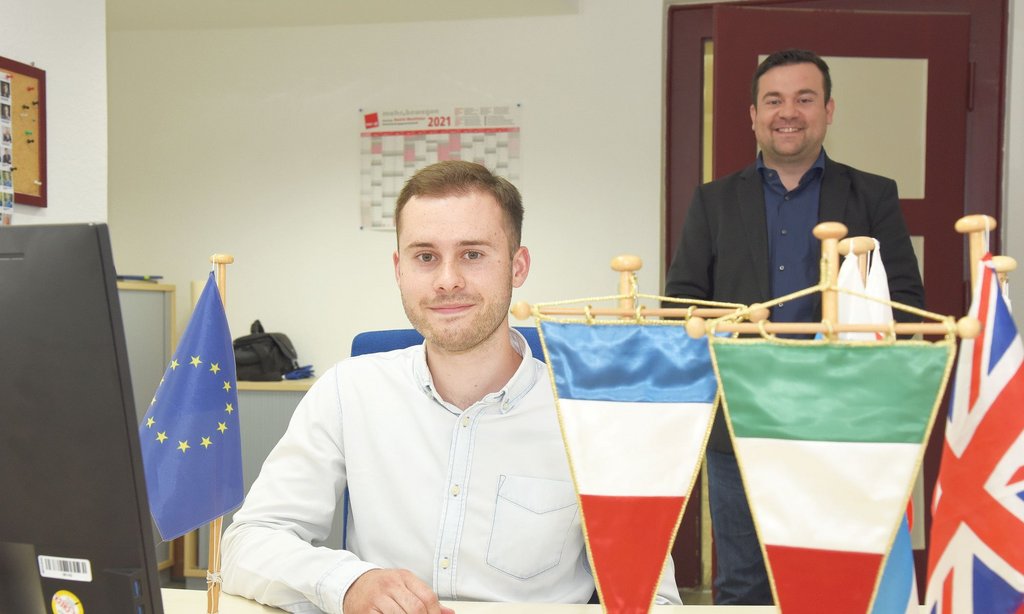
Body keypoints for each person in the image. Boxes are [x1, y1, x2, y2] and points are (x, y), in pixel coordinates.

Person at [223, 160, 682, 613]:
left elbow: (653, 599)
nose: (447, 281)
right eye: (426, 257)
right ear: (399, 269)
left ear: (518, 266)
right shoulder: (348, 391)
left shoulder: (592, 415)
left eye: (473, 254)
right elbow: (250, 541)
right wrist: (347, 584)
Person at [664, 49, 925, 605]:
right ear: (753, 115)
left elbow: (905, 304)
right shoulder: (713, 201)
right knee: (744, 586)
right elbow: (682, 303)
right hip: (740, 419)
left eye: (804, 99)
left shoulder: (873, 195)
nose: (788, 112)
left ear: (828, 110)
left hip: (844, 421)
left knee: (839, 580)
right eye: (773, 100)